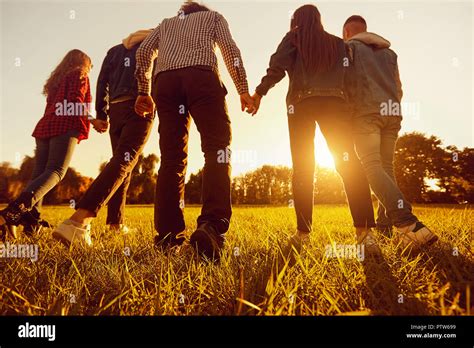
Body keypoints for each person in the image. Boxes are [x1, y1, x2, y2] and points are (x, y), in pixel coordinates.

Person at [134, 1, 255, 260]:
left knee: (172, 158)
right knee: (217, 150)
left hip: (165, 83)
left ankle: (168, 237)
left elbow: (143, 52)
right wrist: (242, 89)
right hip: (201, 78)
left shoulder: (165, 24)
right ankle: (211, 226)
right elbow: (230, 50)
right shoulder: (212, 17)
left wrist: (143, 91)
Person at [251, 5, 377, 251]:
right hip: (336, 105)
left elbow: (277, 67)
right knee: (349, 163)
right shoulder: (339, 44)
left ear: (297, 21)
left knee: (303, 167)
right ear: (319, 20)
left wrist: (259, 92)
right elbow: (351, 80)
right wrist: (351, 110)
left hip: (301, 105)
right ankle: (365, 233)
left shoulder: (294, 38)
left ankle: (303, 233)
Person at [343, 15, 437, 249]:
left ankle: (409, 223)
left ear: (346, 32)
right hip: (392, 113)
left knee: (371, 166)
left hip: (367, 113)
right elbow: (398, 87)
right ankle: (385, 227)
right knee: (386, 167)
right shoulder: (389, 54)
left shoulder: (349, 48)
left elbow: (348, 83)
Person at [53, 31, 154, 247]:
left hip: (117, 109)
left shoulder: (114, 51)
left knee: (123, 162)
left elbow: (102, 83)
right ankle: (77, 222)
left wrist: (102, 113)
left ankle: (115, 223)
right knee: (124, 162)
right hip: (139, 106)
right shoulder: (154, 45)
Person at [0, 49, 107, 237]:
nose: (90, 70)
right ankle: (12, 213)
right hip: (64, 124)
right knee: (56, 171)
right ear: (84, 63)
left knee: (39, 176)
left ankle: (31, 223)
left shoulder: (56, 79)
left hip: (45, 126)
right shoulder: (79, 73)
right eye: (90, 66)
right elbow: (75, 102)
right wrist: (94, 120)